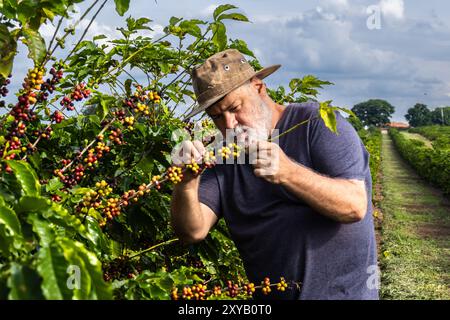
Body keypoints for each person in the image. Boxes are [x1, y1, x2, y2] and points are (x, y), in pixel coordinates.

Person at [170, 49, 379, 300]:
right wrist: (186, 184)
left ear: (259, 88)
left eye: (235, 108)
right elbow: (192, 231)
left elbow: (354, 206)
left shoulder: (316, 124)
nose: (230, 125)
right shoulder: (223, 156)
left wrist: (287, 173)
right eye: (216, 117)